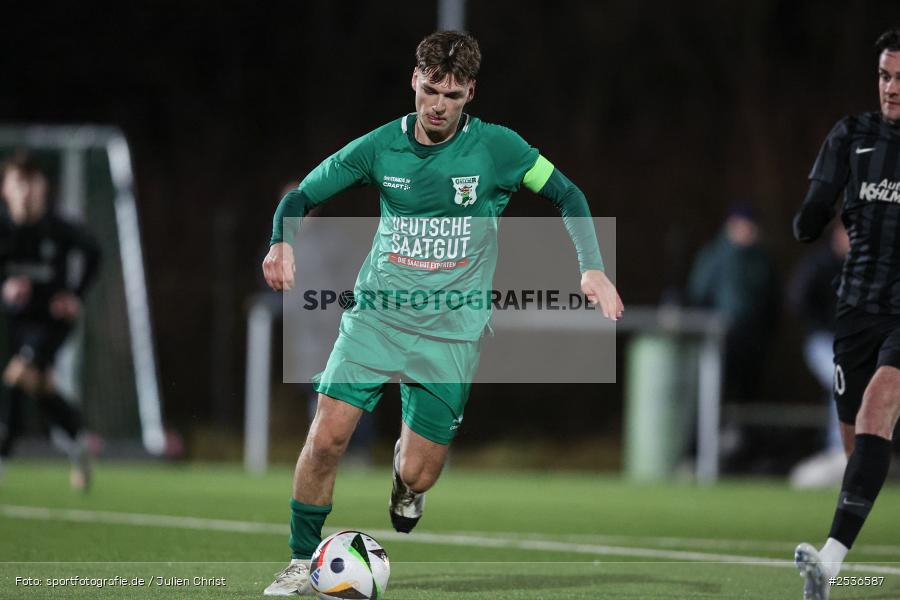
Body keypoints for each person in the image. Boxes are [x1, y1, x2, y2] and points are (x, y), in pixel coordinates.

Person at [260, 31, 623, 596]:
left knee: (419, 471)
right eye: (429, 90)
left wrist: (592, 266)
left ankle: (406, 484)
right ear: (414, 81)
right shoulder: (382, 146)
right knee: (327, 436)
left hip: (452, 333)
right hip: (377, 318)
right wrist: (281, 242)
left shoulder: (499, 149)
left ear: (470, 93)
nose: (436, 105)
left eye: (451, 96)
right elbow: (300, 196)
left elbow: (568, 194)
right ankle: (301, 560)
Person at [793, 27, 900, 600]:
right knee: (856, 445)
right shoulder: (851, 136)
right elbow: (816, 205)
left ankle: (829, 560)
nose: (891, 87)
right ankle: (846, 570)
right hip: (855, 307)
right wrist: (810, 216)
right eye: (885, 75)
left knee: (880, 406)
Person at [0, 152, 101, 491]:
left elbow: (94, 252)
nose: (25, 191)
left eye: (31, 183)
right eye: (18, 183)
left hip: (53, 323)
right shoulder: (4, 228)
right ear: (5, 190)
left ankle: (3, 457)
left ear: (42, 187)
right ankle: (78, 441)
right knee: (40, 387)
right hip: (18, 324)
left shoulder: (56, 227)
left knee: (17, 376)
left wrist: (75, 294)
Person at [686, 203, 780, 470]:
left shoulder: (763, 259)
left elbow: (773, 302)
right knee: (711, 398)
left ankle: (744, 459)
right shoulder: (715, 255)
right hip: (720, 341)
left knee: (748, 403)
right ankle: (696, 456)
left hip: (753, 343)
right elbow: (698, 294)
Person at [787, 224, 850, 489]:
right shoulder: (820, 263)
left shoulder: (865, 266)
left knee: (849, 385)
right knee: (842, 383)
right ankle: (839, 451)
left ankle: (845, 452)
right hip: (822, 340)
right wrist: (820, 324)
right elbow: (797, 297)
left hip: (851, 344)